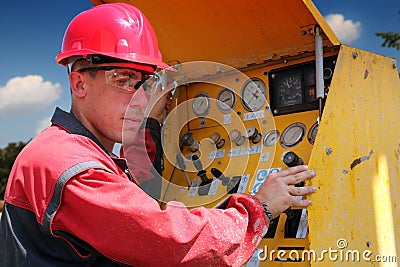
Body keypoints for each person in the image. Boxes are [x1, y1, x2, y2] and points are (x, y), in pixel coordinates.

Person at [0, 3, 317, 267]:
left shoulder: (75, 150)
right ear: (80, 84)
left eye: (144, 84)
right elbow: (168, 239)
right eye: (122, 79)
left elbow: (130, 182)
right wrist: (259, 207)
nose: (138, 97)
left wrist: (149, 124)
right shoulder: (69, 166)